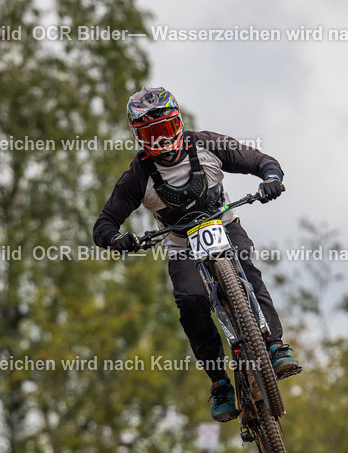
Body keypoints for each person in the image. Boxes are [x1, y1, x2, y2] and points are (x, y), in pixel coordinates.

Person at [92, 87, 302, 422]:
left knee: (248, 269)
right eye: (151, 134)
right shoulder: (138, 175)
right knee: (191, 303)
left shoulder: (207, 144)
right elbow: (103, 224)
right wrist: (118, 239)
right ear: (138, 137)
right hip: (180, 244)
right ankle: (219, 383)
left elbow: (260, 161)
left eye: (166, 129)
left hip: (224, 223)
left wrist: (271, 179)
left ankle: (275, 346)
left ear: (179, 124)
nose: (161, 141)